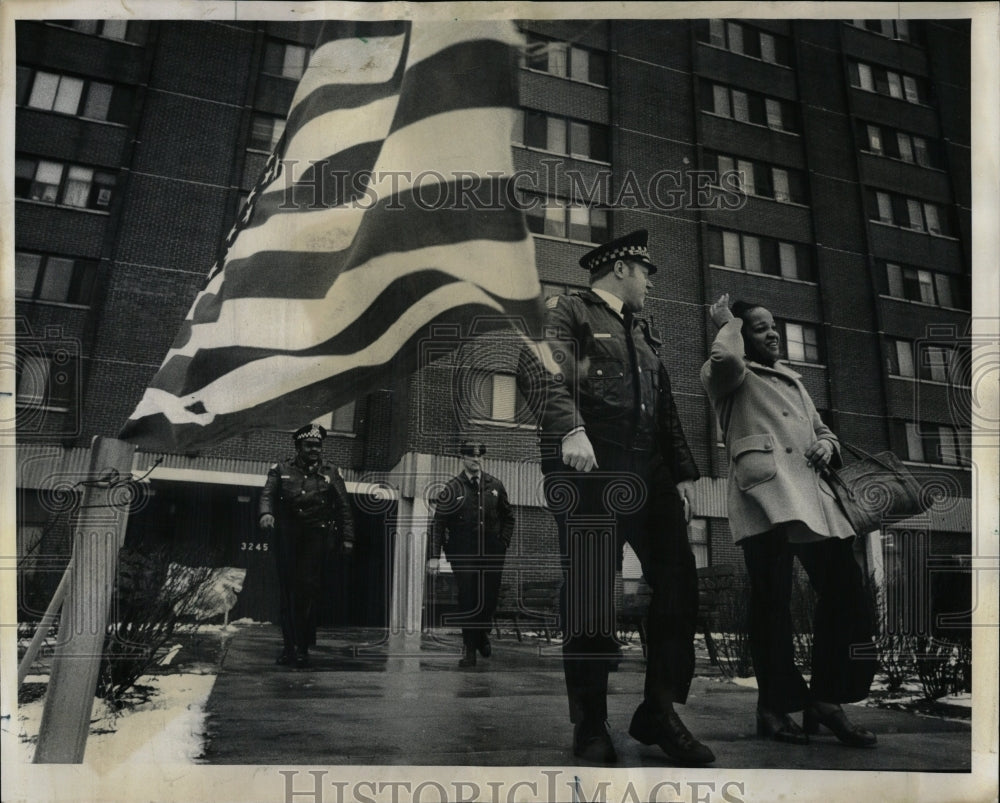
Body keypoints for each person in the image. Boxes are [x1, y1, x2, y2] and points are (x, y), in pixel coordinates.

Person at [525, 229, 714, 765]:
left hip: (648, 471)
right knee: (589, 592)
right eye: (646, 273)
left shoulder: (644, 334)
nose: (651, 284)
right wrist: (568, 429)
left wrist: (680, 475)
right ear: (623, 269)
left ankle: (658, 710)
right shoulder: (570, 312)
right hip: (591, 465)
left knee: (679, 581)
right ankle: (590, 720)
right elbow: (539, 367)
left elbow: (667, 408)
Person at [701, 294, 877, 747]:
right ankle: (774, 707)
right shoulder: (726, 374)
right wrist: (727, 324)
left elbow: (821, 429)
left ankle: (826, 699)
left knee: (845, 590)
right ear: (741, 334)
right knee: (771, 605)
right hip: (765, 498)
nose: (773, 332)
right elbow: (725, 356)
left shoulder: (793, 381)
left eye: (773, 325)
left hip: (813, 500)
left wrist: (828, 445)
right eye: (759, 328)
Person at [259, 423, 356, 668]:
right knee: (287, 593)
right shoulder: (281, 469)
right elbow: (267, 494)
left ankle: (301, 648)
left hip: (316, 538)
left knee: (307, 592)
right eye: (309, 445)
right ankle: (289, 646)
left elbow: (344, 506)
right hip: (288, 537)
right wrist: (266, 514)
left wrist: (347, 538)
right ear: (298, 446)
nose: (314, 449)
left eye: (318, 445)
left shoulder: (331, 472)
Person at [426, 440, 514, 668]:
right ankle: (469, 648)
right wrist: (434, 556)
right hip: (463, 553)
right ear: (462, 458)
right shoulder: (452, 488)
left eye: (479, 456)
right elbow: (438, 523)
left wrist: (503, 541)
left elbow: (509, 517)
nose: (476, 459)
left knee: (488, 599)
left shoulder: (495, 485)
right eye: (471, 455)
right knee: (468, 599)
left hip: (492, 554)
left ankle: (482, 633)